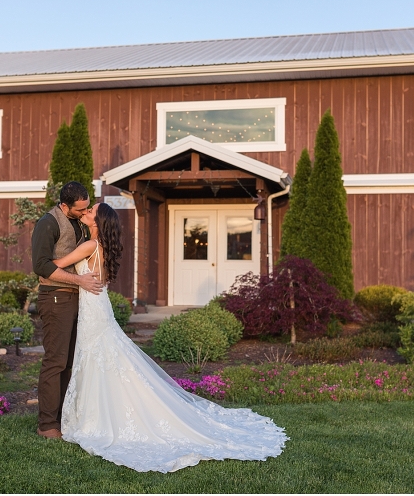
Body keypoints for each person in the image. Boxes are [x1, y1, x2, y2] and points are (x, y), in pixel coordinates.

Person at [52, 202, 288, 473]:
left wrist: (72, 274)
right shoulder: (101, 247)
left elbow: (56, 266)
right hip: (98, 306)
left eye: (91, 210)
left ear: (98, 221)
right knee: (106, 358)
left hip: (93, 309)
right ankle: (103, 413)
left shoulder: (88, 246)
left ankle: (98, 419)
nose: (86, 212)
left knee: (97, 357)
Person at [31, 181, 103, 439]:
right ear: (64, 205)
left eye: (86, 209)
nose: (84, 213)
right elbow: (40, 265)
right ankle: (47, 424)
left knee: (70, 362)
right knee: (56, 361)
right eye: (79, 210)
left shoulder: (80, 223)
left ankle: (63, 416)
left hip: (77, 300)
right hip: (56, 299)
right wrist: (79, 280)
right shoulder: (48, 223)